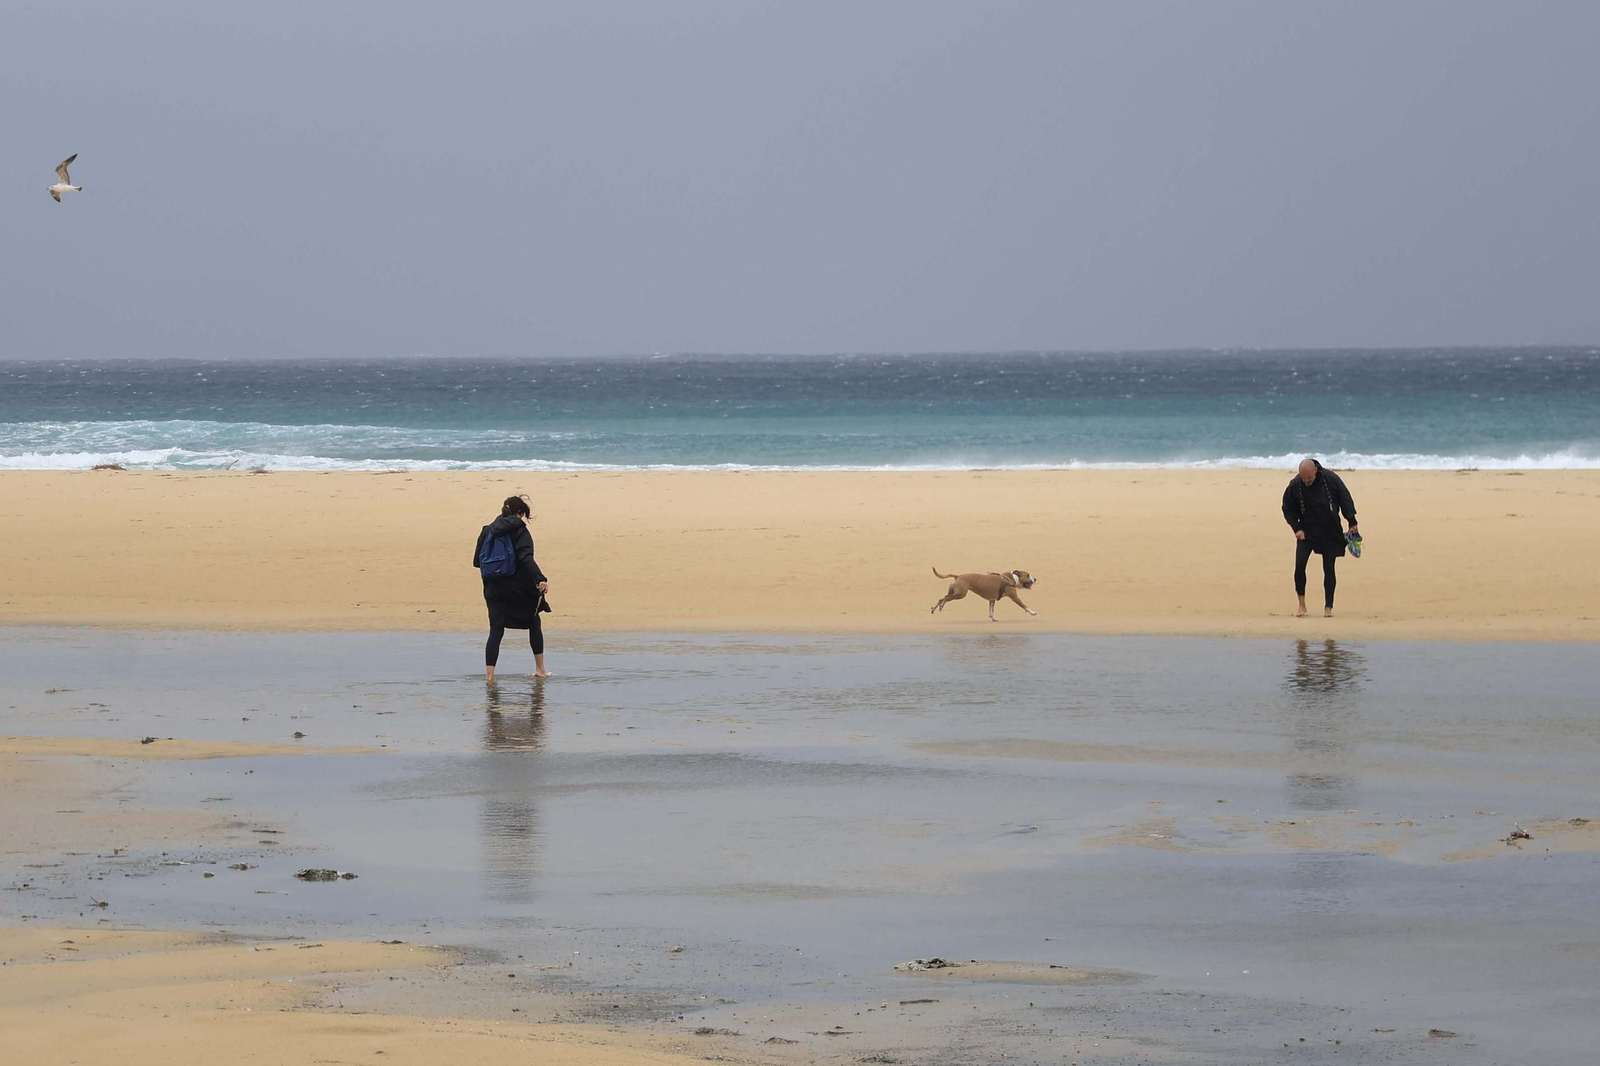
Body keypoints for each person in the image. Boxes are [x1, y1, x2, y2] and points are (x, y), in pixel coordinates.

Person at [473, 495, 550, 681]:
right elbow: (525, 558)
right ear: (520, 513)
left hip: (492, 587)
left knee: (496, 630)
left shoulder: (487, 531)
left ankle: (489, 676)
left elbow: (477, 562)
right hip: (517, 588)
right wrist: (540, 579)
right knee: (534, 621)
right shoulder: (520, 531)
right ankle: (540, 670)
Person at [1281, 458, 1359, 618]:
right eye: (1304, 478)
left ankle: (1328, 607)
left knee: (1328, 569)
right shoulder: (1295, 485)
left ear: (1315, 470)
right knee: (1300, 565)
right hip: (1307, 531)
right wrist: (1297, 528)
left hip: (1329, 529)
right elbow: (1287, 508)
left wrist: (1352, 521)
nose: (1307, 481)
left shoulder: (1330, 479)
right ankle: (1301, 605)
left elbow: (1345, 498)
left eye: (1309, 477)